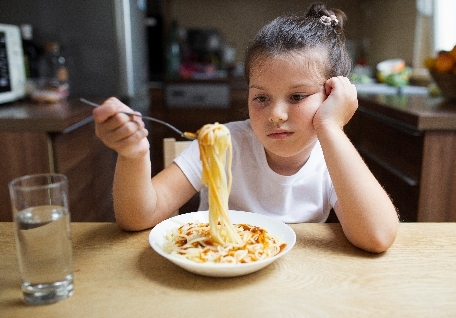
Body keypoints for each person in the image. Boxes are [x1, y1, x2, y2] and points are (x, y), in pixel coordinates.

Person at [93, 3, 399, 253]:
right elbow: (138, 216)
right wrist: (133, 153)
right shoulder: (222, 144)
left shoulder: (331, 158)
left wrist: (331, 128)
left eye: (297, 96)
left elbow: (378, 236)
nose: (276, 115)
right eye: (261, 97)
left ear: (332, 95)